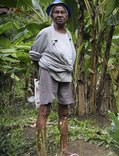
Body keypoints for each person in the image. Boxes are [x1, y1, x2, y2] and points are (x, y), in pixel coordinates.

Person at [29, 0, 78, 155]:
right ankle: (41, 151)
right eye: (56, 12)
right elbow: (34, 55)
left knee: (64, 112)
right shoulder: (45, 33)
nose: (59, 15)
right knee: (44, 110)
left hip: (65, 74)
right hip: (48, 72)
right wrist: (44, 70)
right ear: (51, 15)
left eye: (62, 12)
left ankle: (64, 150)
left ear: (67, 15)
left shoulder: (68, 34)